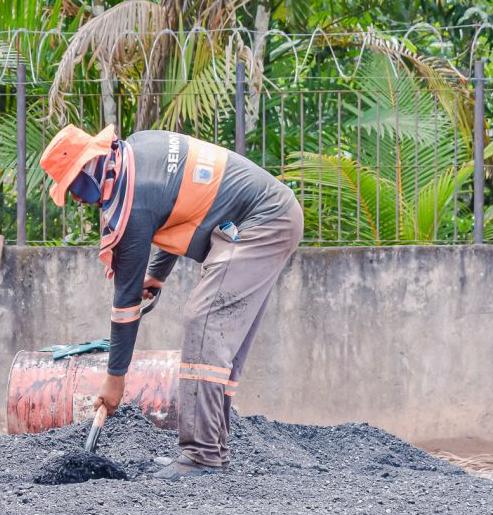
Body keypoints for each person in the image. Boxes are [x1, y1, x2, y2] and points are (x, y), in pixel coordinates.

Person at [39, 124, 303, 481]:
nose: (75, 198)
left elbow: (125, 304)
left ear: (89, 169)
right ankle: (213, 452)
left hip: (261, 221)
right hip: (267, 215)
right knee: (218, 336)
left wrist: (115, 380)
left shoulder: (132, 202)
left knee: (204, 321)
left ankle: (201, 455)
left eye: (72, 186)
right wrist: (157, 274)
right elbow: (180, 211)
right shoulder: (138, 153)